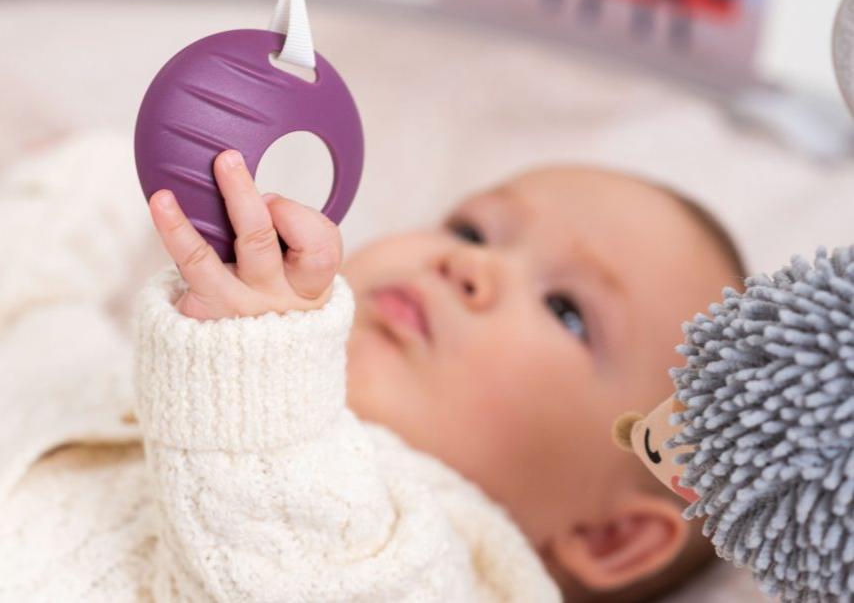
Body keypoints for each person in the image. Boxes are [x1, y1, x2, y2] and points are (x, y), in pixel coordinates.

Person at [0, 131, 746, 601]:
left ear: (608, 538)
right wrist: (107, 174)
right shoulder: (121, 374)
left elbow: (288, 566)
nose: (470, 264)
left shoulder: (447, 566)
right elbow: (31, 304)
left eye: (567, 312)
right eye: (473, 227)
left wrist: (256, 361)